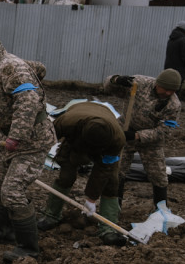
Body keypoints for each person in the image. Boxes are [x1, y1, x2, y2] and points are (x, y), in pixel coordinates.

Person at [0, 29, 56, 263]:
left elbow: (28, 101)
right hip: (14, 141)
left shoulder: (10, 67)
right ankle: (3, 230)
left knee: (12, 191)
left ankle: (28, 247)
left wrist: (15, 136)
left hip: (33, 141)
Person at [36, 102, 127, 246]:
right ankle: (51, 215)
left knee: (111, 183)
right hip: (77, 141)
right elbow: (44, 139)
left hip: (105, 146)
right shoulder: (67, 122)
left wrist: (91, 198)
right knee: (66, 176)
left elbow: (103, 170)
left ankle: (108, 229)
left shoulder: (117, 139)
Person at [106, 69, 181, 212]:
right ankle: (114, 208)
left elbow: (164, 131)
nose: (167, 93)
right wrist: (115, 80)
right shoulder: (139, 83)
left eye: (171, 91)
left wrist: (136, 136)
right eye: (165, 89)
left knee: (158, 174)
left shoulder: (173, 105)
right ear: (158, 84)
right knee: (117, 169)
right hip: (125, 129)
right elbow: (108, 88)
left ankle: (161, 210)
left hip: (150, 140)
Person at [164, 21, 185, 86]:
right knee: (175, 88)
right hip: (178, 72)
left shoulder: (171, 39)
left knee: (167, 87)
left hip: (168, 69)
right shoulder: (184, 41)